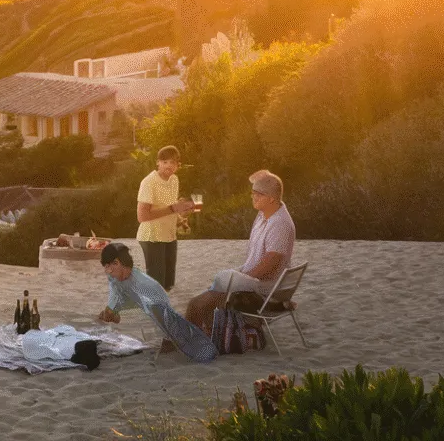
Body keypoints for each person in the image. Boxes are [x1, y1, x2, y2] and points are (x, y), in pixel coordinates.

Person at [185, 170, 296, 333]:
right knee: (209, 295)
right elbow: (270, 185)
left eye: (258, 194)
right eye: (253, 193)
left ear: (271, 198)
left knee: (197, 303)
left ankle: (191, 340)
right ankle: (203, 336)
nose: (253, 197)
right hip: (257, 282)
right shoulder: (264, 214)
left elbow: (271, 263)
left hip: (262, 289)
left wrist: (241, 279)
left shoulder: (280, 224)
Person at [97, 242, 217, 363]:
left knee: (169, 328)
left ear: (117, 263)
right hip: (133, 300)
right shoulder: (114, 276)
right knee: (108, 314)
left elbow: (164, 316)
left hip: (154, 307)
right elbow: (114, 289)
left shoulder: (144, 285)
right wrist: (111, 308)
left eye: (108, 266)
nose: (107, 271)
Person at [135, 145, 194, 291]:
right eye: (165, 161)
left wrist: (181, 217)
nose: (169, 165)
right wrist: (173, 208)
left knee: (168, 284)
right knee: (157, 286)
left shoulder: (174, 180)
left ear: (177, 165)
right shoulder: (148, 182)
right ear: (158, 163)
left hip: (169, 236)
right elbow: (142, 216)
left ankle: (163, 311)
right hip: (152, 237)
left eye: (173, 162)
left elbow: (170, 207)